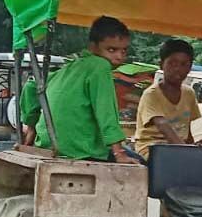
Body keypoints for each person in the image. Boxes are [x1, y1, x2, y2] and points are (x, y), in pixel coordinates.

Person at [33, 16, 135, 163]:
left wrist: (30, 127)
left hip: (47, 146)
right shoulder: (100, 66)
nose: (119, 56)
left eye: (124, 51)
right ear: (93, 46)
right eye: (111, 50)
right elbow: (106, 113)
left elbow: (31, 87)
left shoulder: (69, 67)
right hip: (79, 150)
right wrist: (119, 153)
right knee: (144, 165)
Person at [135, 39, 200, 160]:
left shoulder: (189, 93)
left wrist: (193, 147)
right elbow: (162, 125)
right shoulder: (151, 94)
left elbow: (187, 129)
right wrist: (186, 152)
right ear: (161, 65)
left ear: (190, 67)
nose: (177, 69)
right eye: (172, 63)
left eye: (183, 64)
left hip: (178, 149)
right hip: (152, 150)